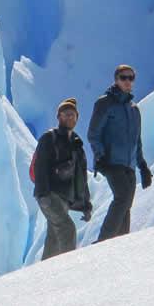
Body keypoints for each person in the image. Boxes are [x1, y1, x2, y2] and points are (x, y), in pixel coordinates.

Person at [88, 65, 152, 241]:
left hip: (129, 165)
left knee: (126, 204)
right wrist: (100, 157)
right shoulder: (105, 103)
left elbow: (136, 141)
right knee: (122, 198)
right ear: (116, 80)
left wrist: (143, 167)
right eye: (124, 77)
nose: (128, 81)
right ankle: (104, 241)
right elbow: (93, 133)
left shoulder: (134, 109)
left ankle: (120, 243)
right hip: (110, 162)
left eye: (131, 78)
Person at [33, 99, 92, 259]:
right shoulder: (49, 138)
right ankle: (67, 270)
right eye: (66, 115)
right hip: (49, 195)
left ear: (77, 117)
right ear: (58, 117)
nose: (69, 118)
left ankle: (43, 273)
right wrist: (43, 194)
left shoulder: (76, 144)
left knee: (54, 236)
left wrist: (86, 205)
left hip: (64, 198)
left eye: (72, 115)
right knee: (67, 229)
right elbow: (41, 166)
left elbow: (81, 177)